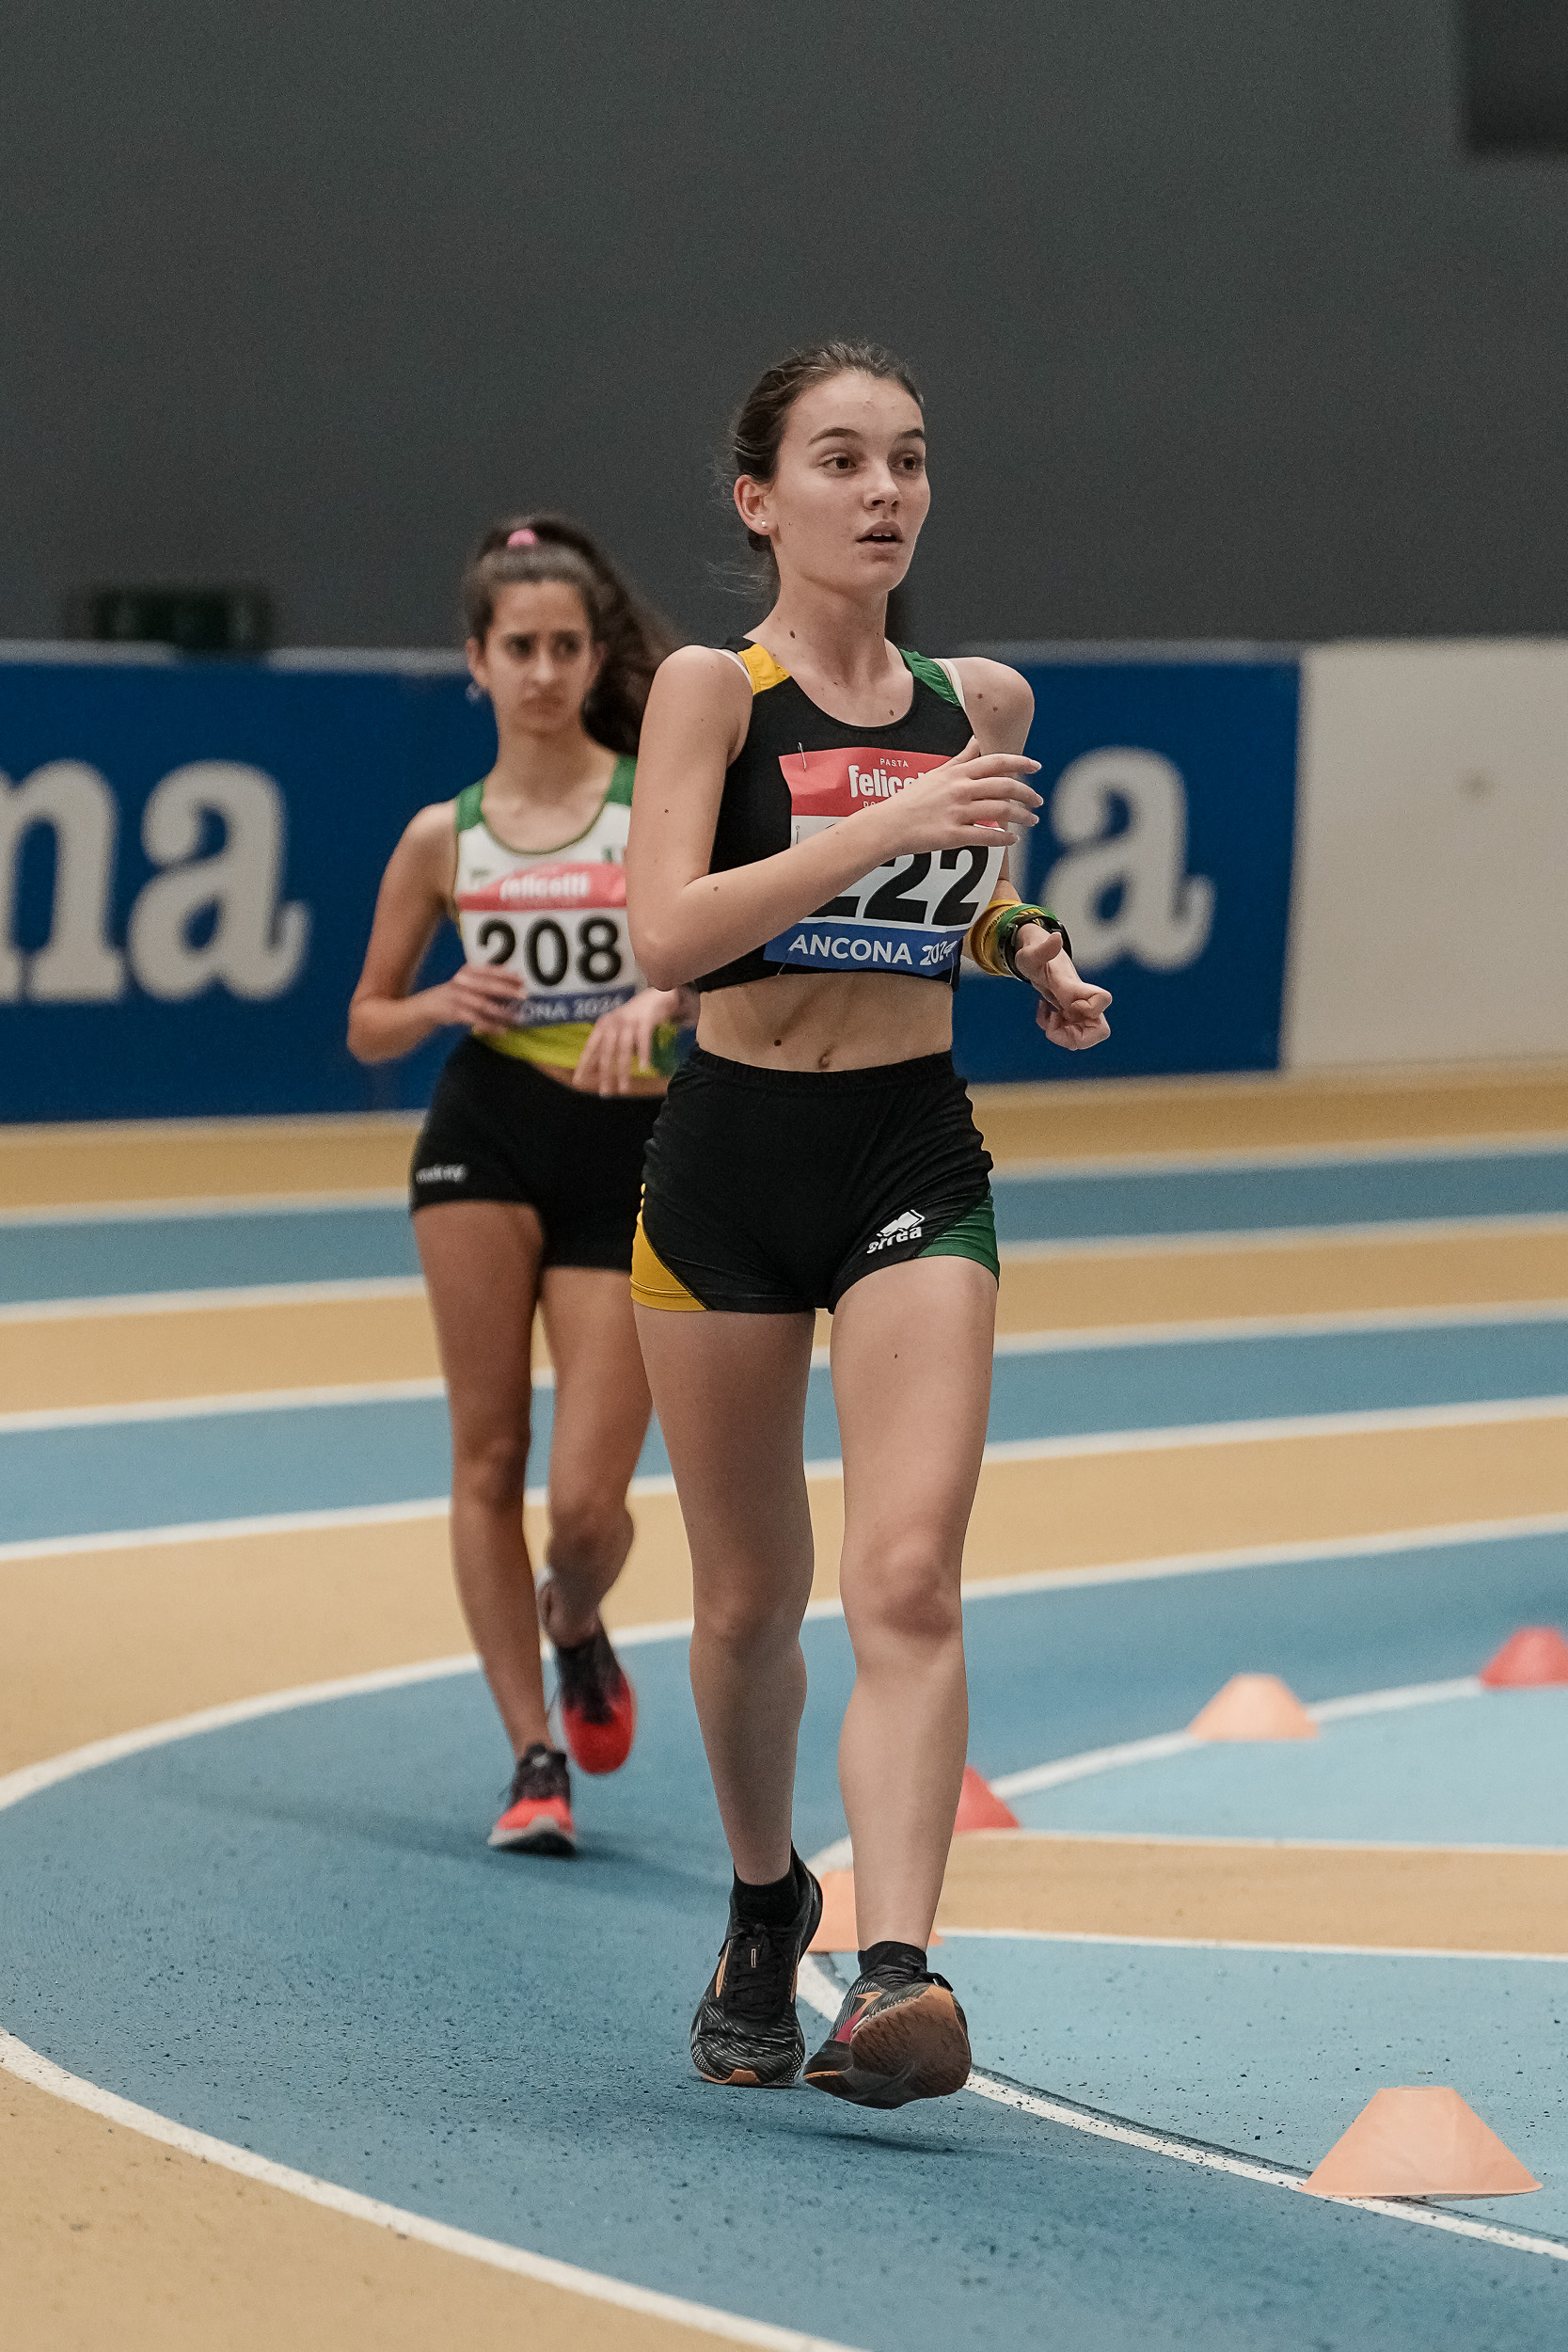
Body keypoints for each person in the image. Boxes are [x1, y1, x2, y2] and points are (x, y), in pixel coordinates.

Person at [625, 343, 1112, 2106]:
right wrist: (888, 820)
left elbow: (953, 897)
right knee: (750, 1599)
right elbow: (668, 935)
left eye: (908, 458)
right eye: (841, 460)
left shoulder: (981, 699)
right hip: (729, 1157)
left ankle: (898, 1975)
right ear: (760, 499)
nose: (885, 490)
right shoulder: (713, 690)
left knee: (908, 1573)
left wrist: (1028, 944)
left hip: (910, 1147)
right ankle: (769, 1902)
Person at [349, 514, 692, 1856]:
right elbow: (366, 1022)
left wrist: (662, 1000)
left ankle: (577, 1612)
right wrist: (438, 1001)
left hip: (628, 1142)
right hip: (485, 1131)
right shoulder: (442, 838)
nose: (543, 672)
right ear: (476, 663)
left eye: (564, 647)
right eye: (519, 648)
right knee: (487, 1454)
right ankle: (530, 1756)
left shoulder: (655, 807)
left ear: (596, 657)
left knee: (588, 1506)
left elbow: (732, 955)